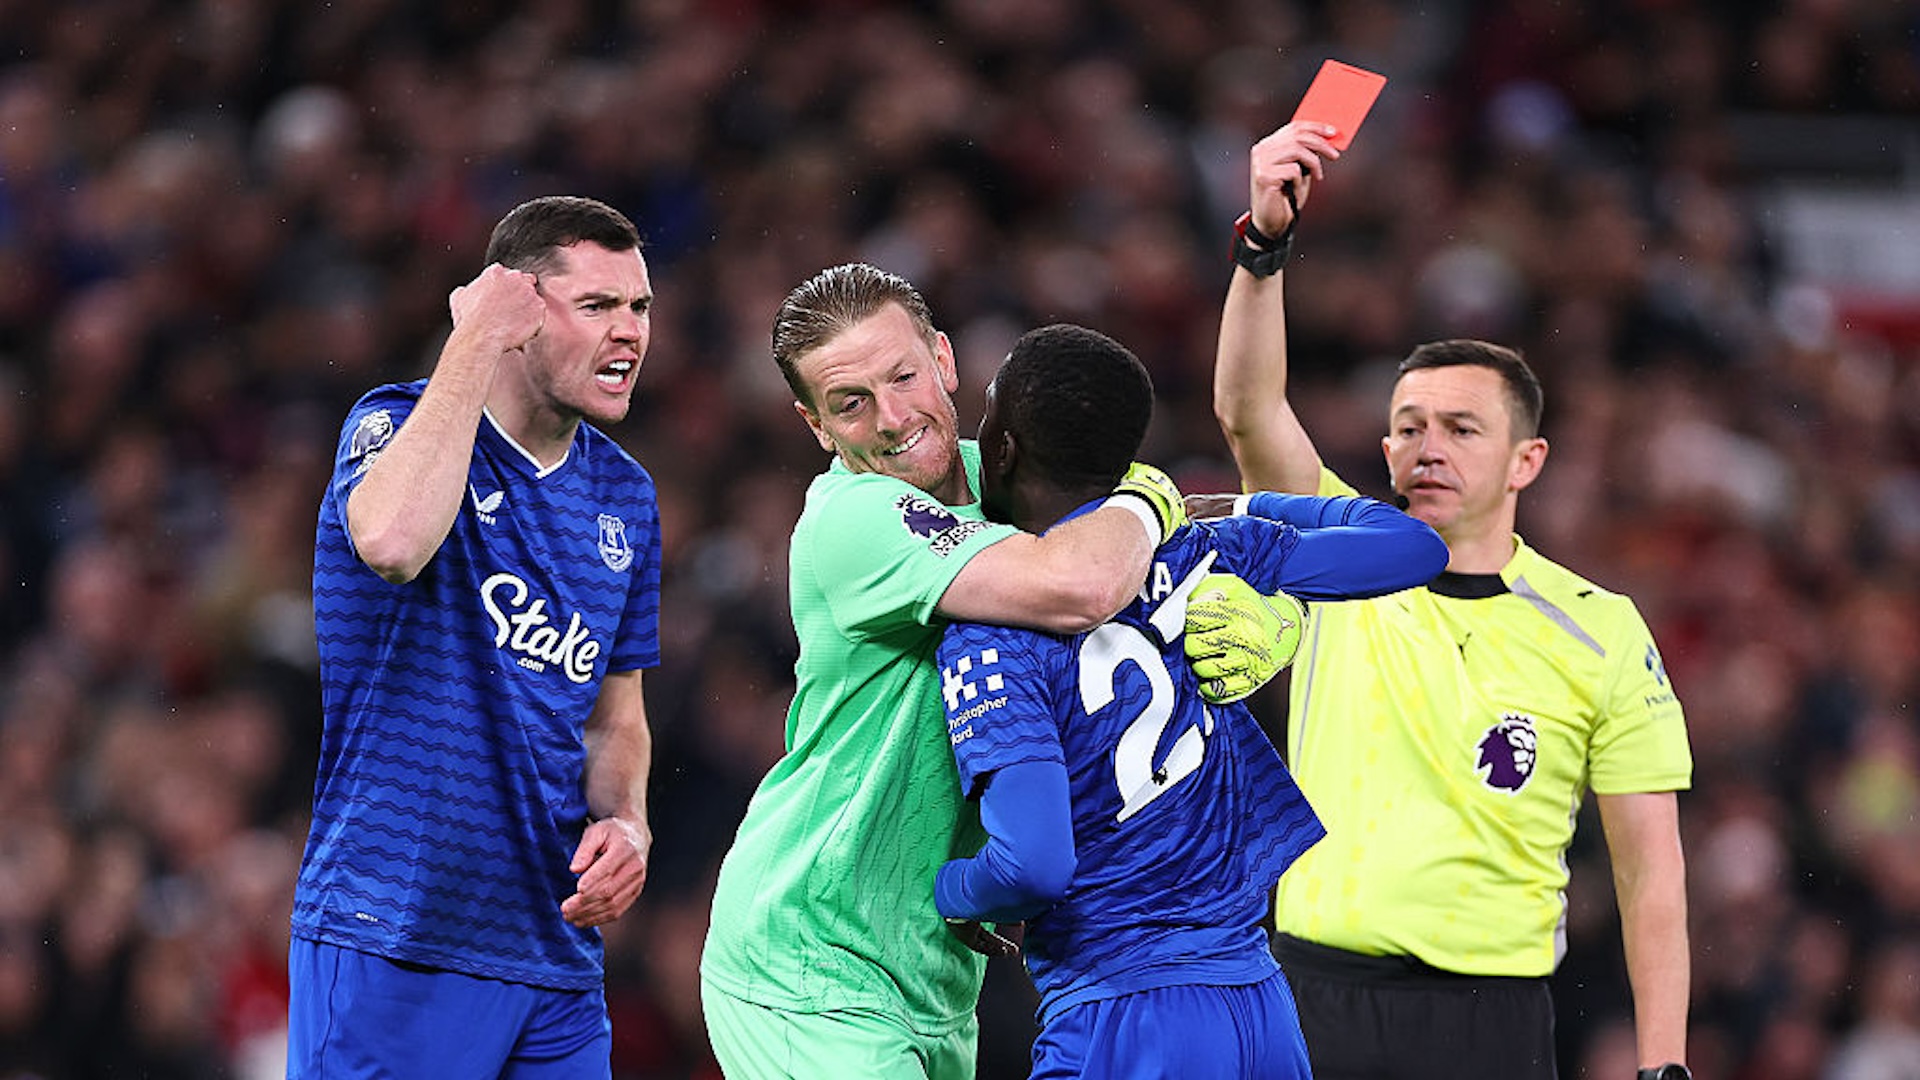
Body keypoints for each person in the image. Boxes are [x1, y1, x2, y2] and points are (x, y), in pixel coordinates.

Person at [1211, 121, 1694, 1079]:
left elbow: (1650, 874)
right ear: (1386, 450)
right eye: (1408, 426)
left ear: (1528, 461)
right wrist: (1262, 250)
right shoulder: (1334, 554)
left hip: (1489, 1022)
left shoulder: (1599, 627)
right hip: (1309, 996)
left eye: (1462, 427)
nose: (1428, 445)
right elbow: (1248, 411)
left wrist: (1662, 1064)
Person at [699, 264, 1218, 1080]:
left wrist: (1267, 615)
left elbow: (1180, 556)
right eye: (850, 403)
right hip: (812, 958)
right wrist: (1151, 491)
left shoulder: (1007, 476)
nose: (894, 418)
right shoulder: (853, 520)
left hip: (934, 965)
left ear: (943, 359)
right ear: (815, 424)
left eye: (903, 376)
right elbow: (1081, 583)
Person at [930, 322, 1450, 1079]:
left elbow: (1034, 864)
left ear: (1002, 450)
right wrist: (1233, 511)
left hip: (1121, 1012)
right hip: (1260, 1005)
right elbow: (1413, 546)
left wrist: (948, 889)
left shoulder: (992, 627)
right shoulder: (1197, 549)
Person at [291, 195, 659, 1078]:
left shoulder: (627, 498)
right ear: (518, 312)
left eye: (640, 306)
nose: (631, 333)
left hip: (552, 953)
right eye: (599, 306)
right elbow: (390, 543)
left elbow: (615, 716)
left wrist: (630, 825)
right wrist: (472, 343)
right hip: (394, 931)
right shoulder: (391, 424)